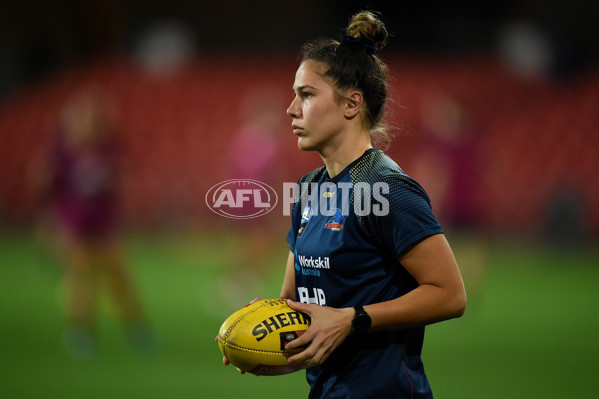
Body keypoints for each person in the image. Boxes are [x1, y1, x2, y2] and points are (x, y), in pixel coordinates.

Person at [223, 11, 467, 398]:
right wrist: (259, 330)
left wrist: (352, 319)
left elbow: (451, 294)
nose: (291, 109)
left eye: (306, 94)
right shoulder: (305, 190)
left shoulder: (386, 189)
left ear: (352, 104)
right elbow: (295, 302)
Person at [37, 87, 155, 360]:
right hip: (73, 223)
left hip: (105, 222)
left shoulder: (111, 148)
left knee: (118, 276)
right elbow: (45, 186)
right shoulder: (60, 152)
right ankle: (81, 331)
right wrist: (50, 224)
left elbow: (123, 184)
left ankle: (136, 327)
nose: (86, 124)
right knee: (80, 279)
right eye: (80, 118)